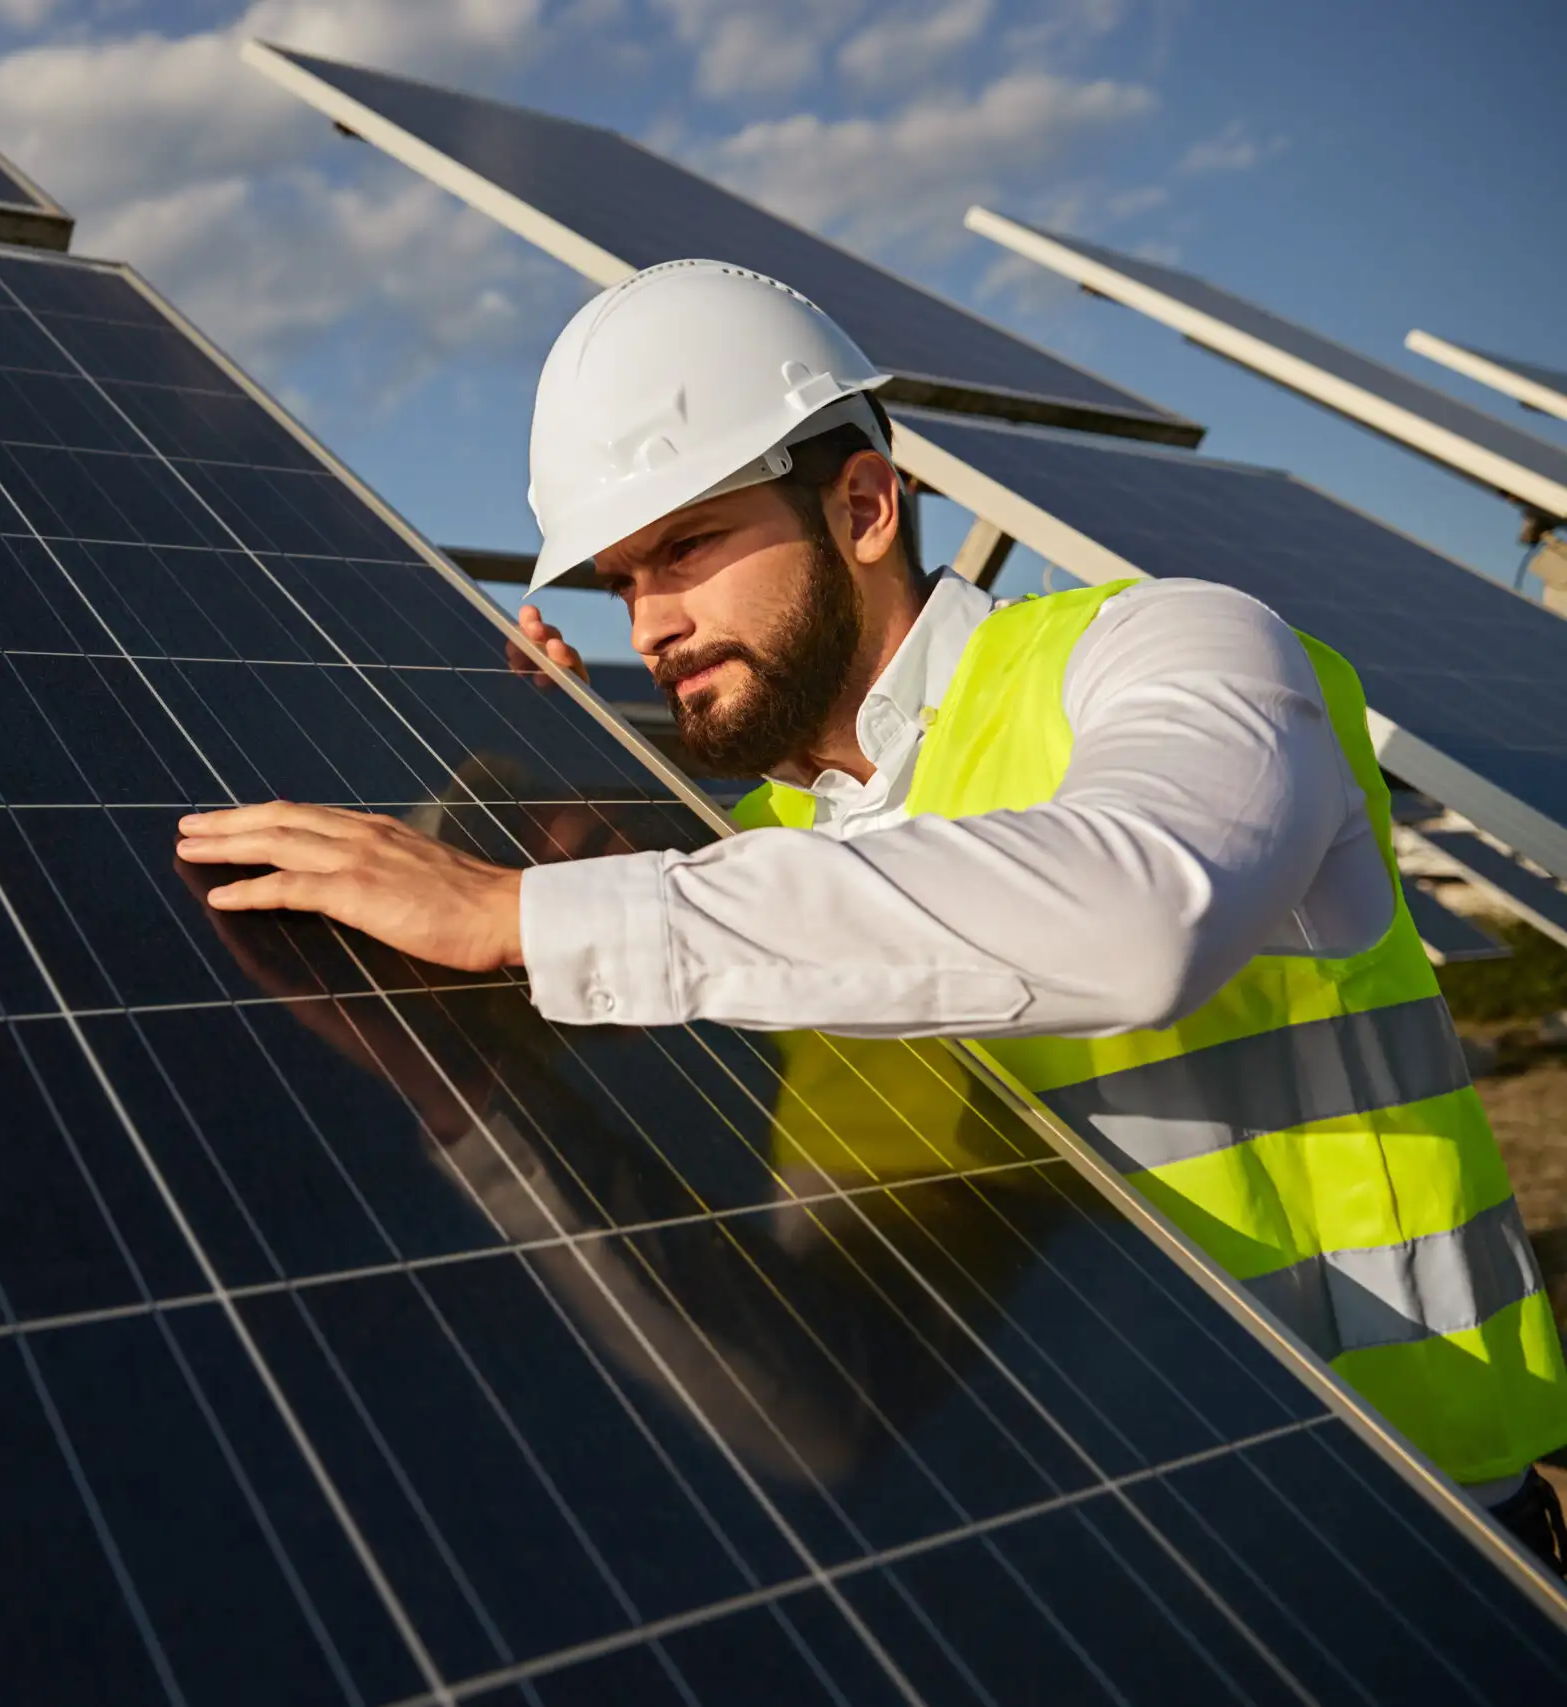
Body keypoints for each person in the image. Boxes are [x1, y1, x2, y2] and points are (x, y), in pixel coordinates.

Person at [174, 259, 1567, 1571]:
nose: (650, 623)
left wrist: (529, 916)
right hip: (1126, 1558)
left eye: (688, 546)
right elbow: (811, 1390)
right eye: (619, 583)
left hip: (1421, 1524)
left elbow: (1143, 911)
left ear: (863, 508)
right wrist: (462, 734)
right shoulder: (776, 858)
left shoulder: (1173, 650)